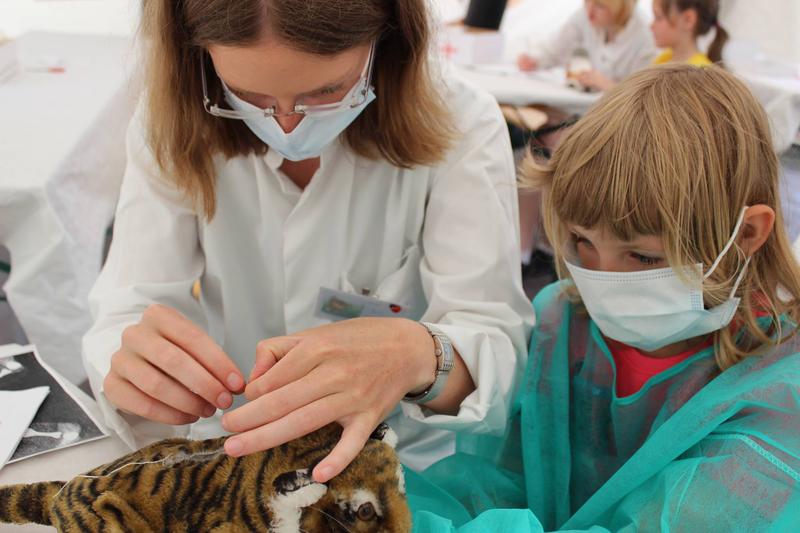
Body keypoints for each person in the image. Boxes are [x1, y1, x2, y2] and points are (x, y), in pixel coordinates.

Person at [82, 0, 534, 484]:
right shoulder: (170, 120)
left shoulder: (462, 123)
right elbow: (129, 309)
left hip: (404, 464)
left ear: (387, 39)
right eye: (248, 94)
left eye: (326, 91)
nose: (286, 125)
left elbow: (498, 349)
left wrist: (419, 356)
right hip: (230, 448)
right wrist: (134, 363)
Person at [408, 64, 800, 531]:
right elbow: (500, 479)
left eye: (643, 256)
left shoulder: (780, 390)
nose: (602, 280)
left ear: (747, 233)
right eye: (581, 242)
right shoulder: (562, 319)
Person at [517, 0, 657, 92]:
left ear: (622, 8)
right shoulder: (584, 16)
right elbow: (554, 49)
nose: (589, 12)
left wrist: (609, 86)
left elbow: (641, 96)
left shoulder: (646, 37)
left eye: (600, 6)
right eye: (587, 1)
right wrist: (535, 60)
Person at [651, 0, 728, 66]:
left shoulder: (701, 72)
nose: (651, 26)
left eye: (658, 17)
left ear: (688, 19)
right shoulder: (663, 58)